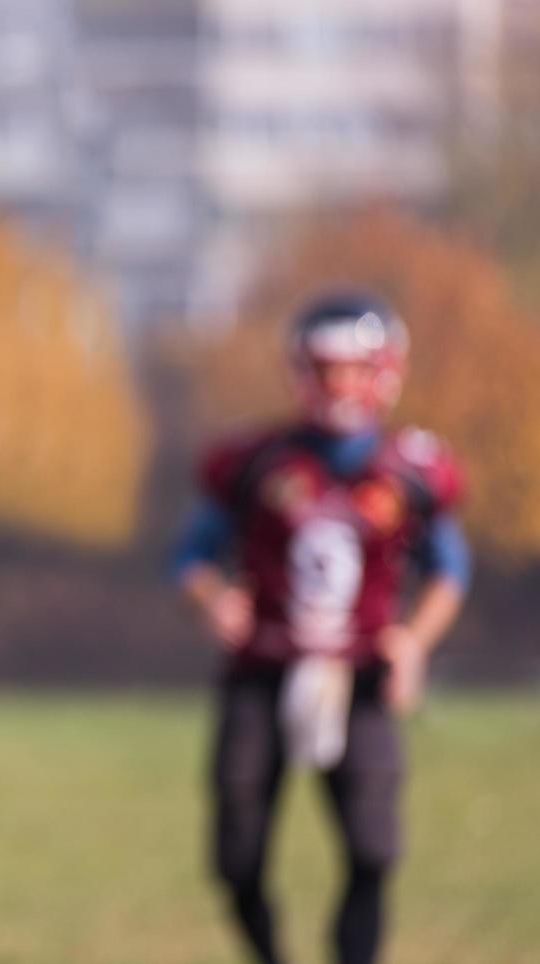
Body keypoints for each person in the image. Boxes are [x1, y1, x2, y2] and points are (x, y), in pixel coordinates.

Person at [172, 291, 469, 964]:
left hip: (359, 671)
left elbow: (448, 567)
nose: (337, 386)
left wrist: (413, 642)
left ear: (382, 371)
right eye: (324, 369)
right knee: (236, 856)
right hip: (262, 667)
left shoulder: (410, 469)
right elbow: (191, 555)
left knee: (373, 848)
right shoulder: (256, 461)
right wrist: (213, 597)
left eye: (351, 369)